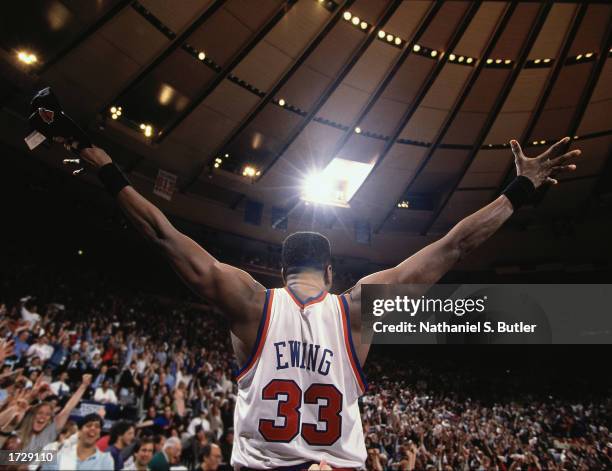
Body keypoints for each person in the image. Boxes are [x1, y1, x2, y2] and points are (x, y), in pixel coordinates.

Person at [75, 138, 581, 467]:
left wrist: (108, 170)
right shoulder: (357, 309)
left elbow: (163, 235)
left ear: (282, 268)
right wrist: (518, 189)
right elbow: (454, 245)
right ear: (331, 272)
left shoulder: (251, 302)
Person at [17, 374, 92, 452]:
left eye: (47, 414)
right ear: (32, 415)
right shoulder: (22, 425)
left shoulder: (50, 431)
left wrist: (83, 386)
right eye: (40, 413)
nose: (43, 417)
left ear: (50, 419)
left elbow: (68, 408)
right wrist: (31, 396)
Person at [43, 413, 114, 471]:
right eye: (88, 425)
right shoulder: (58, 455)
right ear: (79, 432)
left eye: (97, 426)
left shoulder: (106, 460)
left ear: (99, 434)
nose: (93, 428)